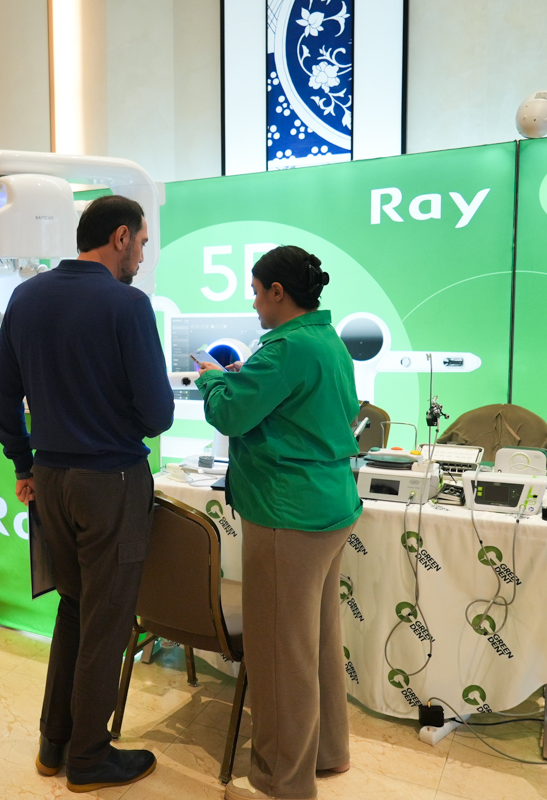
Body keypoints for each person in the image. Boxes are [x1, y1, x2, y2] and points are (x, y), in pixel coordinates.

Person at [0, 195, 174, 792]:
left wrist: (24, 463)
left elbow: (2, 397)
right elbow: (159, 414)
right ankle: (90, 758)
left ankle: (55, 743)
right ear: (120, 237)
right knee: (107, 621)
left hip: (51, 479)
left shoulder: (26, 297)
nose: (141, 257)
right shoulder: (128, 305)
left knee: (73, 607)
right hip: (110, 480)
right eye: (141, 243)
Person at [194, 246, 362, 800]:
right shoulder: (325, 339)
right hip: (328, 508)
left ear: (277, 292)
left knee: (277, 657)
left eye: (255, 291)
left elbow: (230, 413)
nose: (253, 302)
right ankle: (327, 753)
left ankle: (281, 781)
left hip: (286, 515)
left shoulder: (285, 348)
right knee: (316, 642)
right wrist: (243, 380)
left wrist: (213, 381)